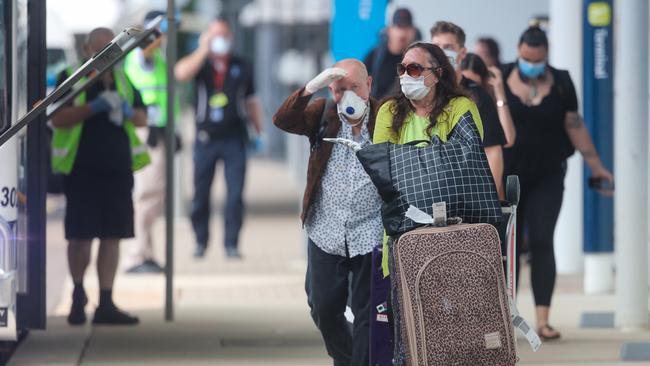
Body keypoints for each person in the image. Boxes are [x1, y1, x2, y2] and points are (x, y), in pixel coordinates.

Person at [373, 42, 485, 366]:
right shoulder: (389, 112)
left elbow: (467, 164)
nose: (406, 75)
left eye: (415, 69)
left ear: (436, 75)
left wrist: (410, 164)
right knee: (409, 333)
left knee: (453, 331)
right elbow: (381, 171)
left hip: (453, 234)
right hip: (404, 236)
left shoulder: (461, 107)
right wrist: (431, 162)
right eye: (403, 69)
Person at [502, 26, 614, 340]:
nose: (530, 64)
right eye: (526, 58)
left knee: (541, 239)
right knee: (507, 248)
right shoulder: (502, 77)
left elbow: (574, 125)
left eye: (536, 60)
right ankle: (505, 317)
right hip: (509, 176)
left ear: (546, 55)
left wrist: (597, 167)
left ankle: (543, 319)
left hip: (548, 174)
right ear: (518, 50)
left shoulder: (562, 82)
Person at [273, 59, 382, 366]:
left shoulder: (386, 117)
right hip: (327, 229)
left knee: (368, 314)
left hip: (370, 229)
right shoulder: (323, 114)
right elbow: (282, 119)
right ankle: (347, 359)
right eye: (340, 89)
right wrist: (311, 88)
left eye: (355, 88)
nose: (348, 96)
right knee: (322, 307)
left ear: (369, 85)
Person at [51, 28, 149, 325]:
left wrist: (128, 111)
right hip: (83, 170)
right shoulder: (70, 76)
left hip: (117, 170)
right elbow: (57, 117)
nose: (108, 56)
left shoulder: (122, 78)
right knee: (80, 237)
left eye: (112, 50)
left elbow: (143, 117)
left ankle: (106, 302)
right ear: (86, 50)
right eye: (101, 50)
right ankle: (78, 296)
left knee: (113, 236)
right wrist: (93, 107)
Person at [175, 18, 263, 259]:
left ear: (231, 37)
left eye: (223, 35)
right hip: (205, 138)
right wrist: (204, 48)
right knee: (200, 194)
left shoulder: (242, 64)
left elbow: (252, 100)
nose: (220, 40)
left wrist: (259, 131)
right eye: (215, 36)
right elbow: (180, 73)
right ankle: (200, 241)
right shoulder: (201, 64)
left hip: (235, 137)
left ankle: (232, 244)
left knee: (235, 194)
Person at [123, 10, 180, 273]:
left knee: (154, 195)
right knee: (147, 193)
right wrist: (157, 33)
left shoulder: (158, 58)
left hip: (159, 130)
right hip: (148, 132)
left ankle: (145, 252)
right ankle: (136, 256)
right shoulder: (141, 54)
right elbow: (143, 52)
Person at [430, 21, 507, 198]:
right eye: (436, 47)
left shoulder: (477, 96)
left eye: (448, 47)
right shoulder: (422, 92)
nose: (441, 52)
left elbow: (492, 151)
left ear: (462, 53)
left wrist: (489, 200)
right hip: (430, 194)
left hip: (469, 194)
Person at [460, 52, 516, 147]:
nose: (469, 90)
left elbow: (508, 139)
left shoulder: (487, 101)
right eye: (464, 83)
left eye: (473, 84)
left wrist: (499, 92)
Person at [364, 7, 418, 100]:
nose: (402, 33)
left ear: (413, 32)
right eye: (399, 27)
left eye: (406, 28)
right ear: (389, 30)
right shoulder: (374, 56)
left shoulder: (417, 61)